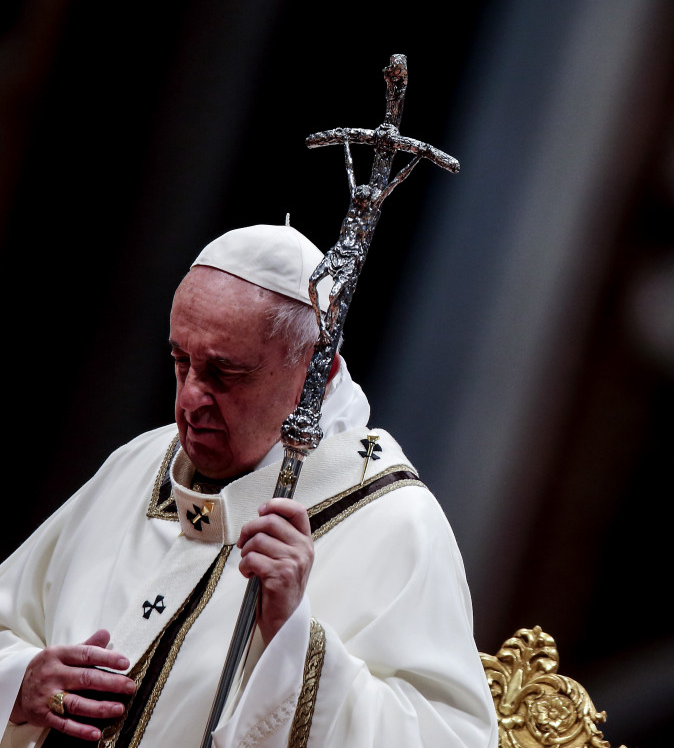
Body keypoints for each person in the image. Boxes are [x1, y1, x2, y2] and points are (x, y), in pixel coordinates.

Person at [0, 225, 498, 748]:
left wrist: (294, 643)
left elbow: (449, 736)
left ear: (317, 371)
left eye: (224, 373)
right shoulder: (141, 461)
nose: (190, 399)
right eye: (180, 361)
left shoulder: (393, 520)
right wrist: (20, 682)